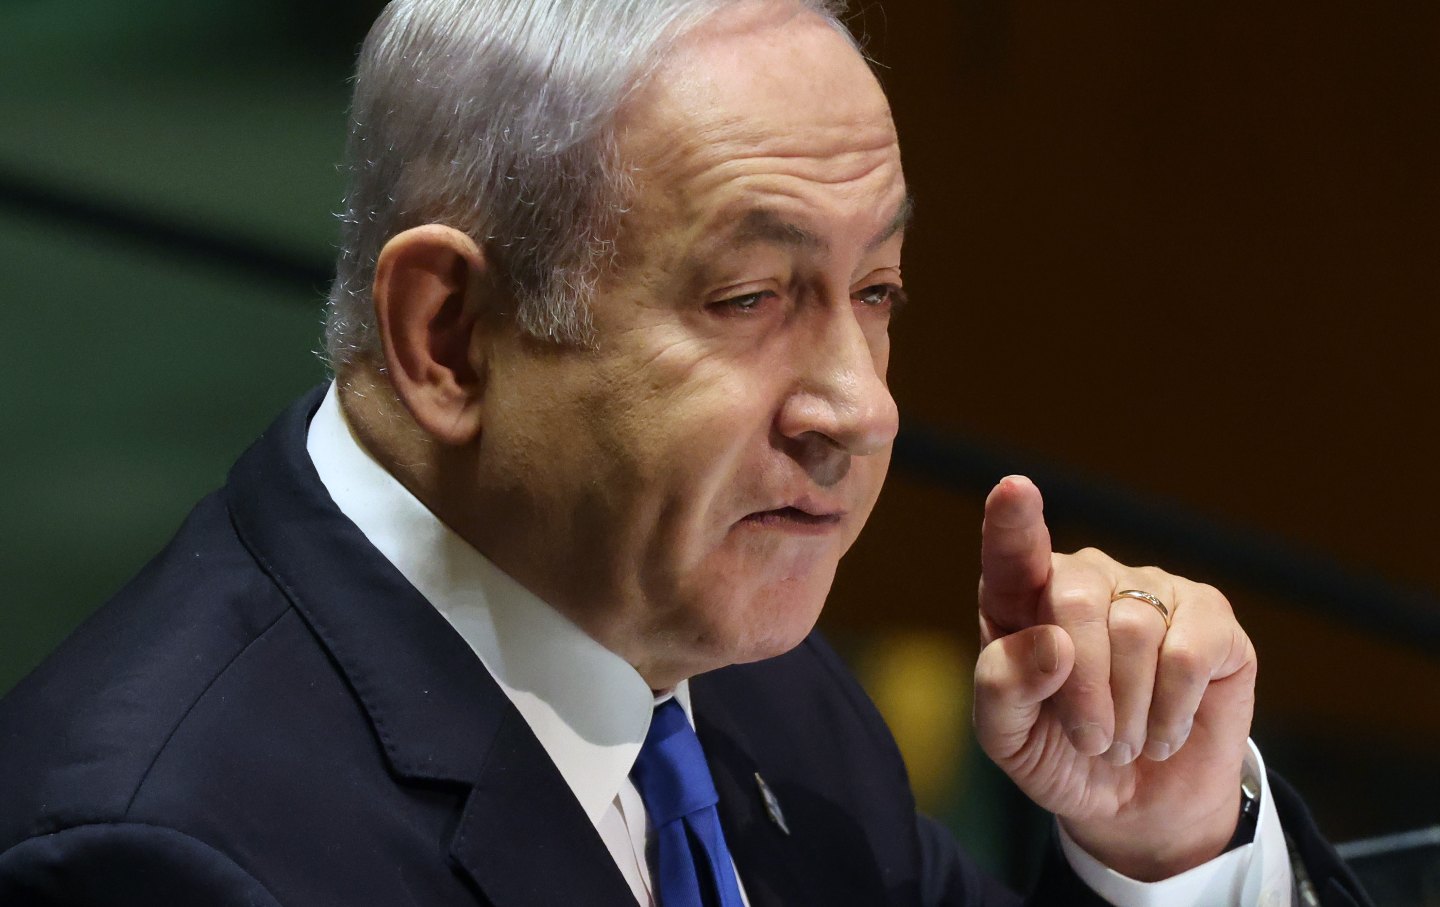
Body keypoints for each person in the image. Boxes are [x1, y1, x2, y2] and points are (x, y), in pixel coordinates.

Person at [0, 1, 1370, 904]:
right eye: (750, 299)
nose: (861, 407)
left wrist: (1166, 846)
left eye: (877, 293)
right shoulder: (167, 856)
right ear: (450, 337)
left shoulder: (746, 675)